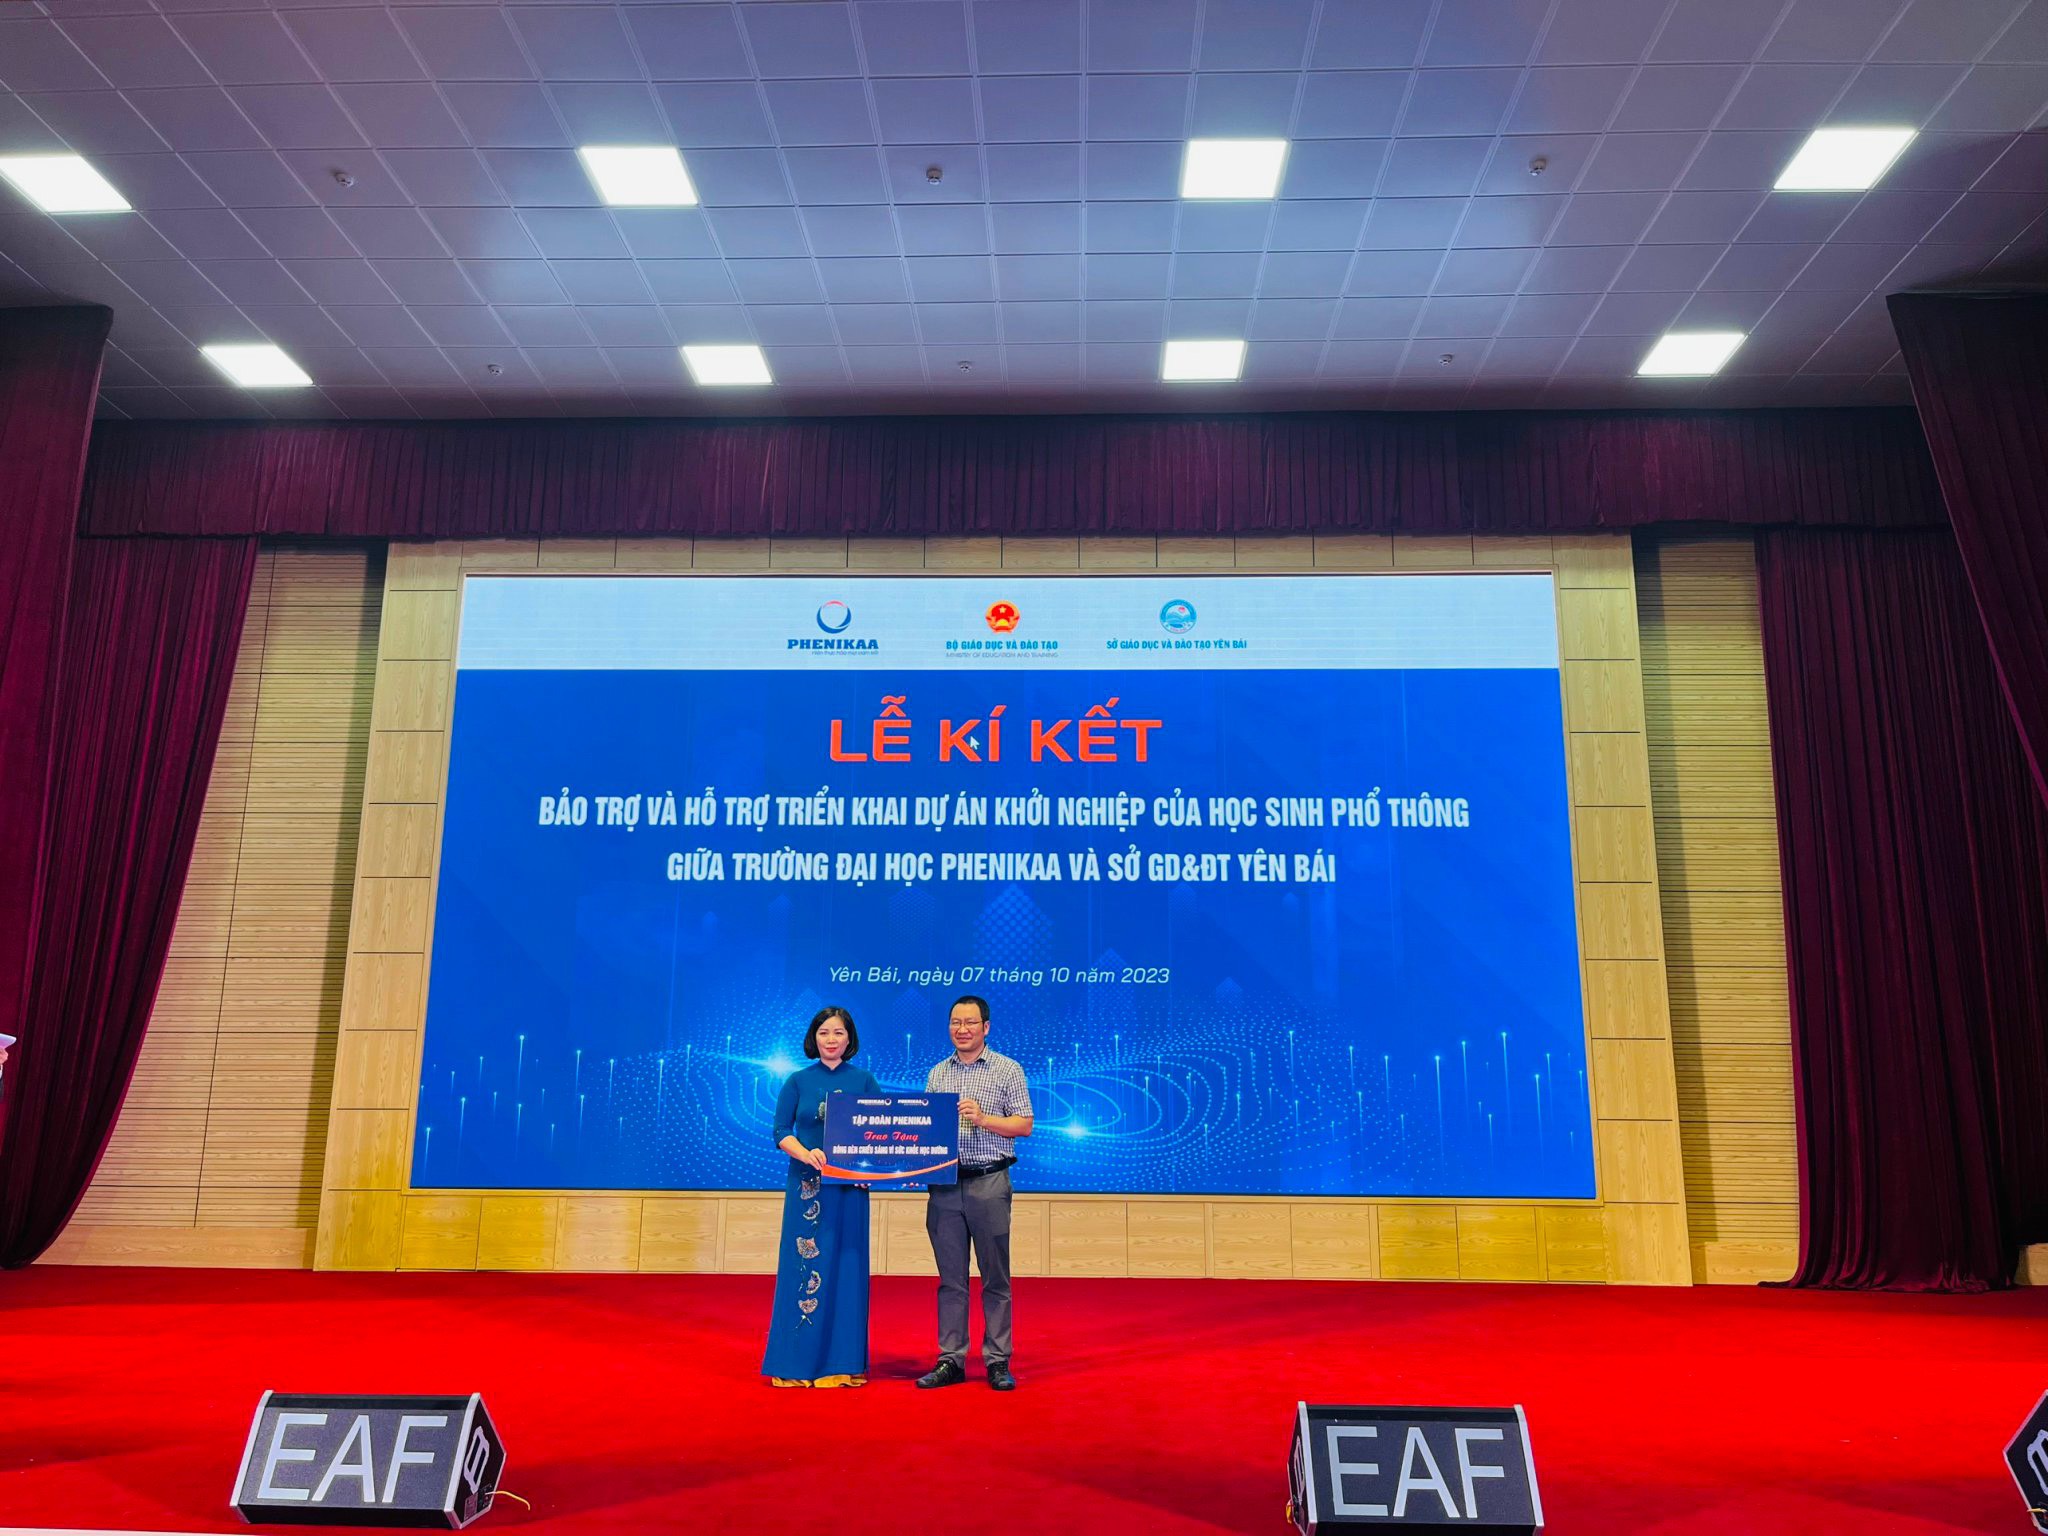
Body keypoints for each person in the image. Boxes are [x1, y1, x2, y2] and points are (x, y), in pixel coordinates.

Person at [917, 994, 1034, 1391]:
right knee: (951, 1280)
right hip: (945, 1186)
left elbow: (1024, 1125)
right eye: (956, 1022)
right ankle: (951, 1358)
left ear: (986, 1027)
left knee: (995, 1278)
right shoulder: (937, 1073)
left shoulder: (1007, 1069)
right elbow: (926, 1129)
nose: (962, 1029)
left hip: (989, 1182)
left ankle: (998, 1360)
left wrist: (983, 1119)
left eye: (970, 1023)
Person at [761, 1007, 883, 1388]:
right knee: (803, 1270)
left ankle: (842, 1364)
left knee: (847, 1269)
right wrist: (805, 1154)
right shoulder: (798, 1081)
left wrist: (869, 1172)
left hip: (849, 1191)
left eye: (838, 1032)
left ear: (850, 1039)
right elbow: (780, 1130)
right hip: (807, 1188)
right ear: (814, 1038)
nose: (831, 1039)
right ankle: (795, 1365)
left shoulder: (864, 1081)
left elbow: (879, 1133)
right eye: (824, 1032)